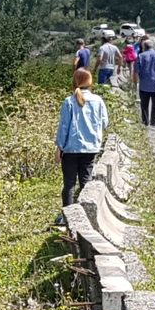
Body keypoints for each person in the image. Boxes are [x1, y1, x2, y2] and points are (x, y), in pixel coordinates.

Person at [55, 67, 111, 207]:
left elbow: (64, 127)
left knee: (69, 184)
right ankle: (84, 211)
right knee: (85, 182)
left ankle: (67, 215)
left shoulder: (69, 101)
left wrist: (59, 148)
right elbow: (104, 123)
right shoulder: (98, 100)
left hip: (71, 149)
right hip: (91, 148)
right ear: (90, 82)